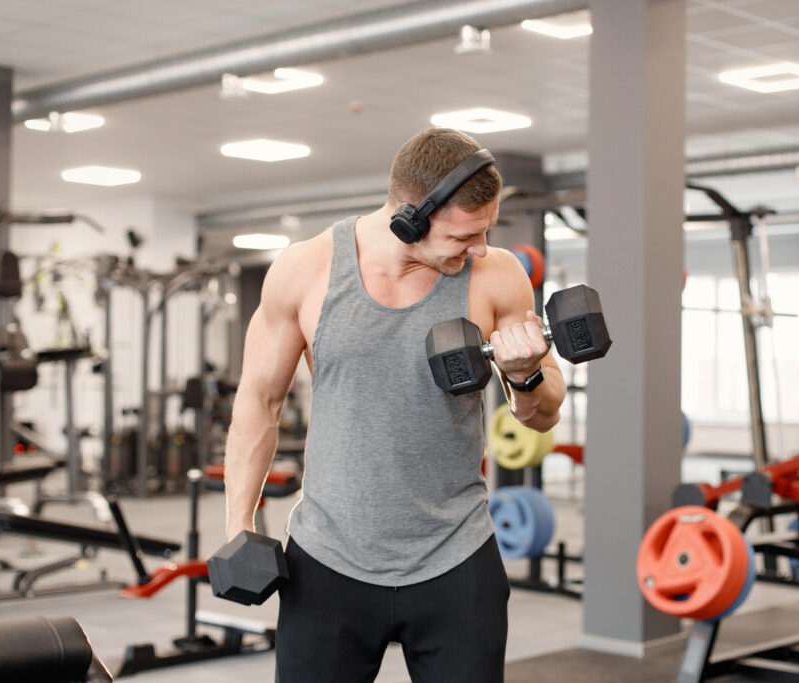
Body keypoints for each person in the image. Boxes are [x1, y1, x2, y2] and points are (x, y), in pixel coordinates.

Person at [222, 127, 565, 683]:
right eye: (463, 236)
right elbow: (259, 402)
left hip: (457, 558)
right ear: (409, 216)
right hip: (328, 560)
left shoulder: (498, 276)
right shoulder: (306, 269)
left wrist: (524, 376)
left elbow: (543, 414)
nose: (478, 248)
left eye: (486, 232)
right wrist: (239, 524)